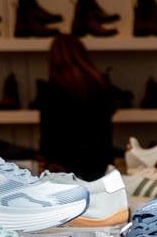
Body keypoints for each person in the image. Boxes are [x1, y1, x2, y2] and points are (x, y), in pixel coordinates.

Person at [34, 34, 115, 178]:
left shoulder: (52, 91)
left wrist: (45, 160)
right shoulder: (99, 85)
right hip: (99, 163)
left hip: (64, 165)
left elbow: (48, 134)